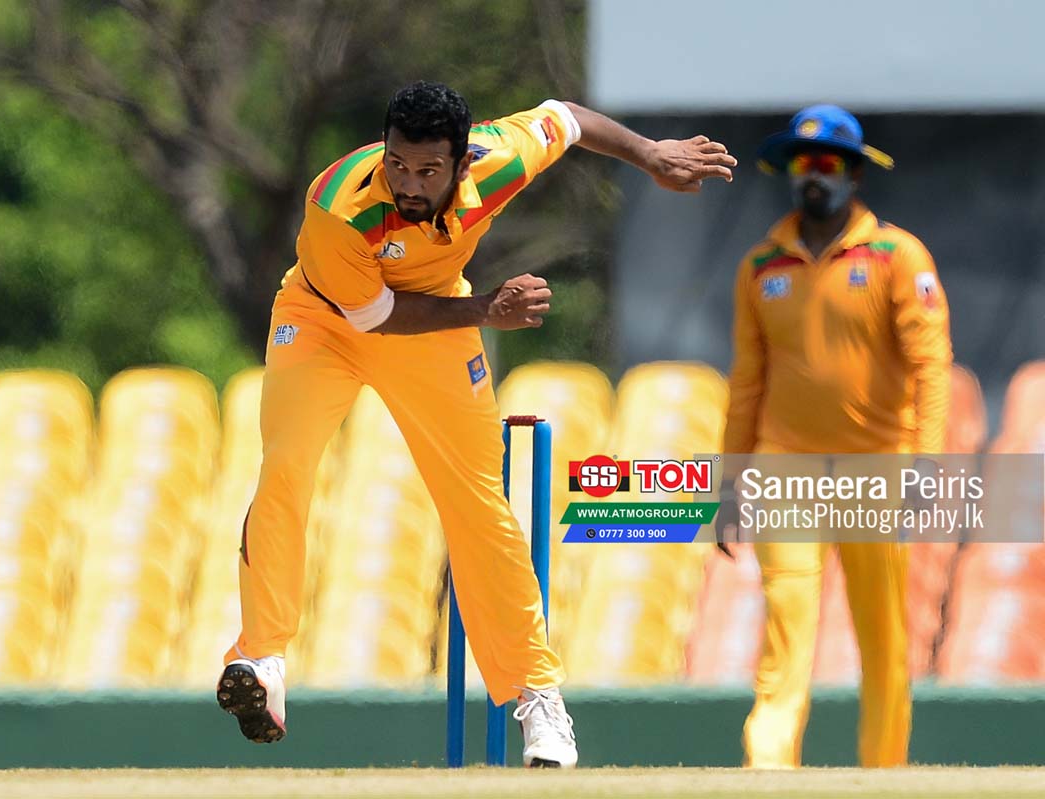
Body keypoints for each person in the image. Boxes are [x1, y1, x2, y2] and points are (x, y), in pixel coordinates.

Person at [216, 80, 736, 768]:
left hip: (434, 324)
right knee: (286, 467)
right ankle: (262, 657)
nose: (408, 184)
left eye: (428, 170)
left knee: (477, 506)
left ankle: (537, 697)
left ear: (464, 164)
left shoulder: (500, 156)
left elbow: (565, 119)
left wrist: (649, 154)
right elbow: (373, 317)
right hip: (323, 320)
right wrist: (487, 310)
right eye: (397, 164)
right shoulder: (339, 205)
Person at [715, 105, 952, 768]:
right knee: (785, 630)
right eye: (801, 163)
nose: (812, 175)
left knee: (884, 638)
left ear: (854, 175)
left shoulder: (897, 256)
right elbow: (746, 381)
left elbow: (931, 366)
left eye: (826, 164)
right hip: (785, 468)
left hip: (877, 466)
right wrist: (729, 482)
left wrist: (929, 465)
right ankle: (768, 770)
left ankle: (884, 771)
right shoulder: (761, 265)